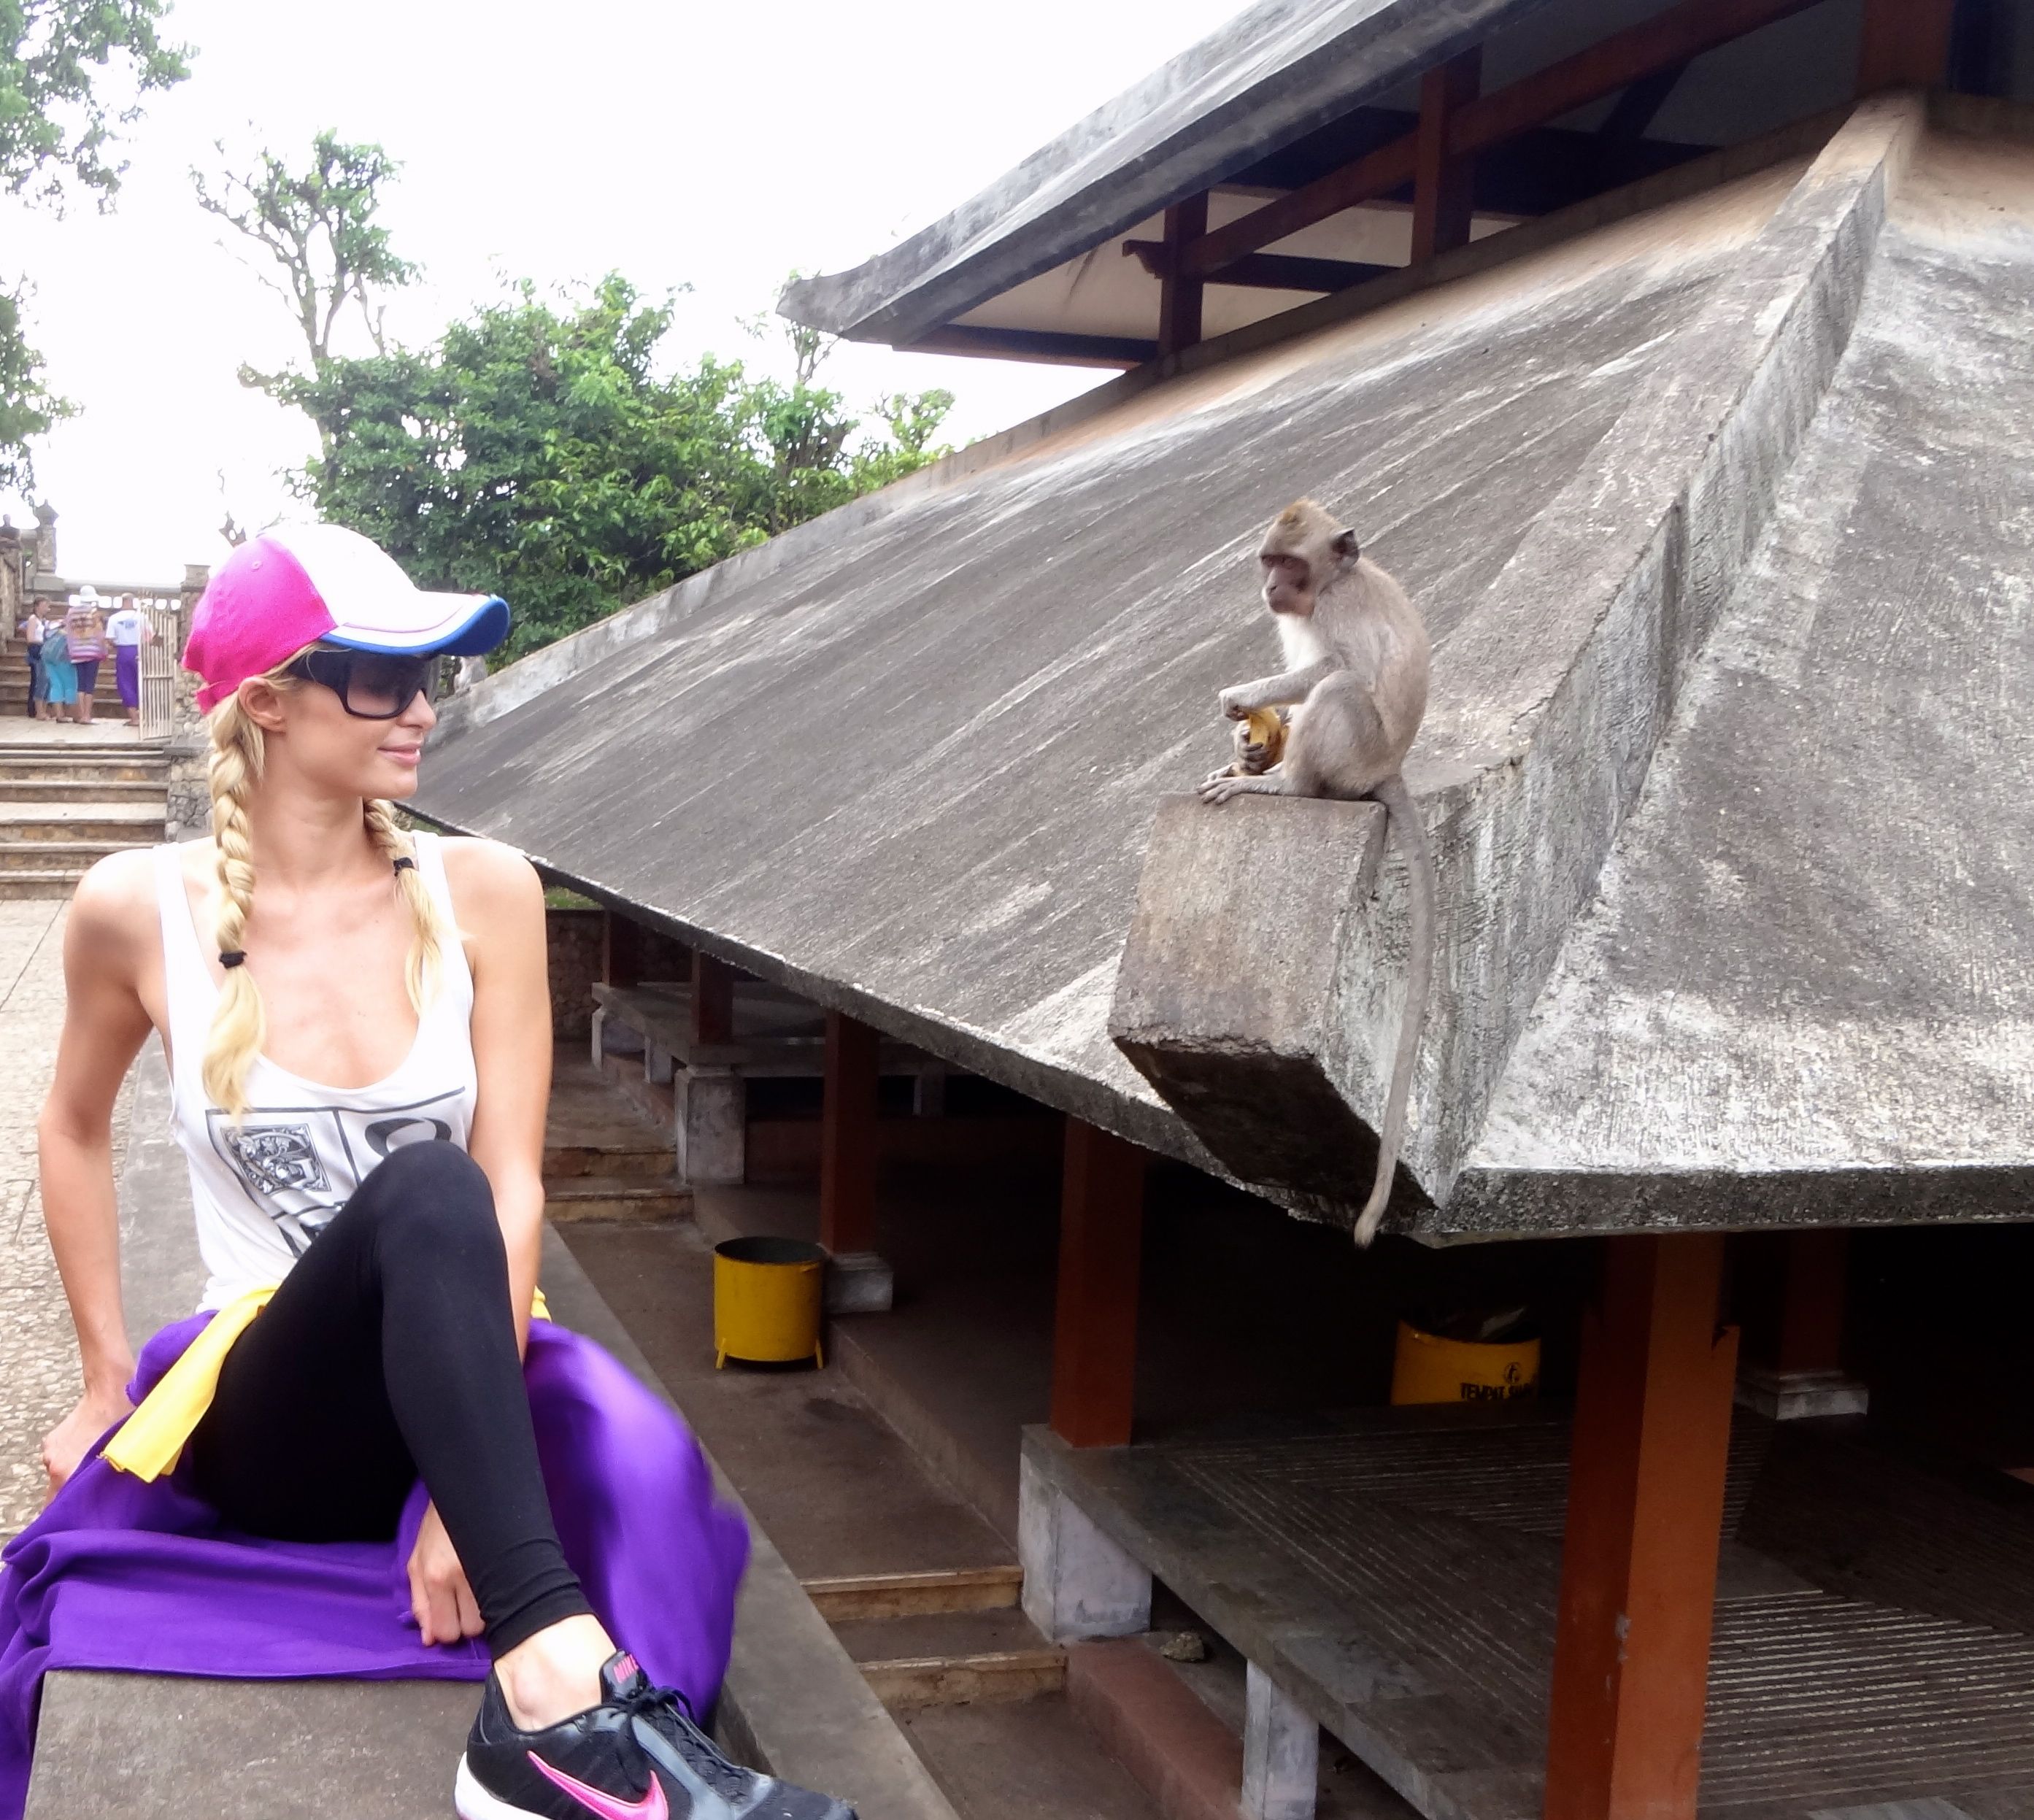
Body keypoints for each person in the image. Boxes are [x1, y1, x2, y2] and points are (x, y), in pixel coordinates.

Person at [7, 523, 852, 1820]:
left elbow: (515, 1177)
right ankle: (553, 1703)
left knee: (642, 1456)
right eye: (381, 677)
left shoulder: (486, 891)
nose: (420, 709)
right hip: (273, 1399)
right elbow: (70, 1124)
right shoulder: (139, 907)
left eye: (428, 676)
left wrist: (467, 1492)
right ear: (268, 701)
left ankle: (604, 1726)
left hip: (473, 1355)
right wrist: (104, 1374)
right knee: (425, 1185)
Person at [63, 585, 107, 726]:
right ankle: (87, 715)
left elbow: (68, 633)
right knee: (90, 685)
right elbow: (99, 633)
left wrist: (71, 650)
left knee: (80, 685)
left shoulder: (71, 612)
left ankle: (81, 714)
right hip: (92, 651)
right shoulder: (94, 612)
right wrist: (104, 650)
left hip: (77, 651)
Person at [104, 594, 146, 727]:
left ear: (121, 602)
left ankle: (134, 718)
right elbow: (150, 636)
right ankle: (144, 715)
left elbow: (110, 639)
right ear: (133, 601)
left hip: (124, 651)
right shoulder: (142, 617)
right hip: (141, 651)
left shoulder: (114, 618)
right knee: (143, 682)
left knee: (126, 683)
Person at [35, 609, 75, 721]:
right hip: (63, 659)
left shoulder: (57, 627)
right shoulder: (74, 632)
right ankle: (74, 714)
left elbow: (46, 635)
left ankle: (59, 715)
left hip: (47, 656)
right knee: (70, 685)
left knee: (56, 685)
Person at [16, 602, 41, 719]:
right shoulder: (32, 619)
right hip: (35, 651)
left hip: (38, 652)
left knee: (38, 681)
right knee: (35, 681)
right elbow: (21, 628)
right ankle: (32, 709)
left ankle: (35, 708)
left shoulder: (41, 620)